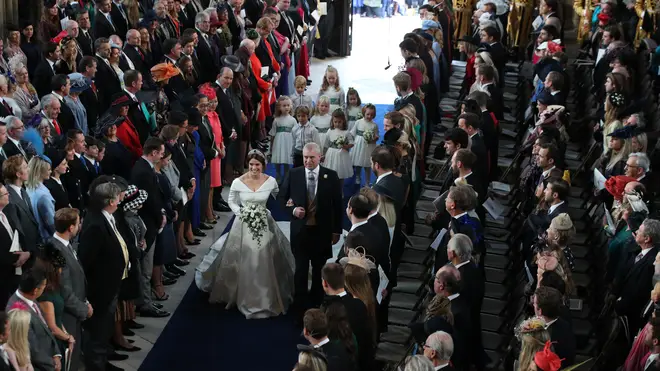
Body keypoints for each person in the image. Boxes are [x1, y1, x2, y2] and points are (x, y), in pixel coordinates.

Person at [198, 150, 295, 319]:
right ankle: (239, 292)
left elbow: (279, 196)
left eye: (257, 164)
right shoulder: (238, 182)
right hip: (243, 223)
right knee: (244, 257)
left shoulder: (271, 181)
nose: (254, 168)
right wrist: (242, 213)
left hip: (265, 222)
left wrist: (290, 202)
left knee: (264, 256)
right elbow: (232, 201)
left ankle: (266, 294)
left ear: (263, 165)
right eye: (251, 164)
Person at [280, 142, 343, 312]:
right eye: (305, 157)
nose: (307, 161)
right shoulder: (294, 174)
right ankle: (299, 306)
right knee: (300, 270)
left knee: (318, 270)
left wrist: (337, 230)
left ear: (320, 157)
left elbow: (338, 205)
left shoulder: (331, 176)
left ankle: (317, 302)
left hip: (321, 233)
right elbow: (281, 199)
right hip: (300, 233)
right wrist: (293, 210)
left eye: (311, 158)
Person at [77, 182, 130, 371]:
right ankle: (96, 366)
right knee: (97, 332)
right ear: (110, 201)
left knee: (104, 330)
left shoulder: (106, 217)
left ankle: (104, 362)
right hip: (99, 290)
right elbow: (86, 260)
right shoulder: (96, 225)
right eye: (117, 197)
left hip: (110, 285)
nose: (120, 199)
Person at [49, 208, 87, 371]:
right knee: (69, 362)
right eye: (78, 223)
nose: (80, 226)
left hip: (74, 312)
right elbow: (65, 291)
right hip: (67, 316)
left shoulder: (64, 245)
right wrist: (84, 309)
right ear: (71, 228)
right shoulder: (57, 250)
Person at [5, 268, 60, 371]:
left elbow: (46, 328)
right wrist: (53, 366)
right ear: (35, 290)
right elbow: (33, 349)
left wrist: (56, 354)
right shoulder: (17, 312)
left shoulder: (30, 299)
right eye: (43, 287)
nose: (44, 289)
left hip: (49, 358)